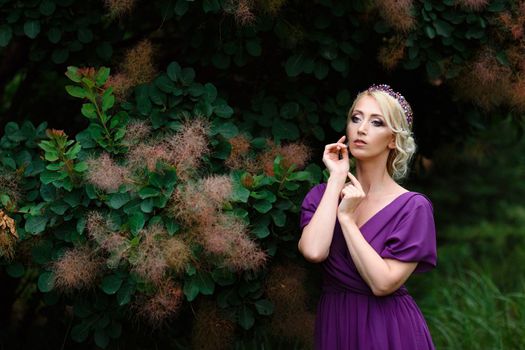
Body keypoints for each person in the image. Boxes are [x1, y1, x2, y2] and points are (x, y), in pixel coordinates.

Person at [298, 84, 437, 349]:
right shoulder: (322, 195)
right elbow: (314, 251)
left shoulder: (412, 207)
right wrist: (336, 178)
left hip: (388, 328)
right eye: (356, 118)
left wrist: (348, 221)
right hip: (336, 323)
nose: (361, 129)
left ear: (393, 139)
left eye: (376, 122)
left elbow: (383, 284)